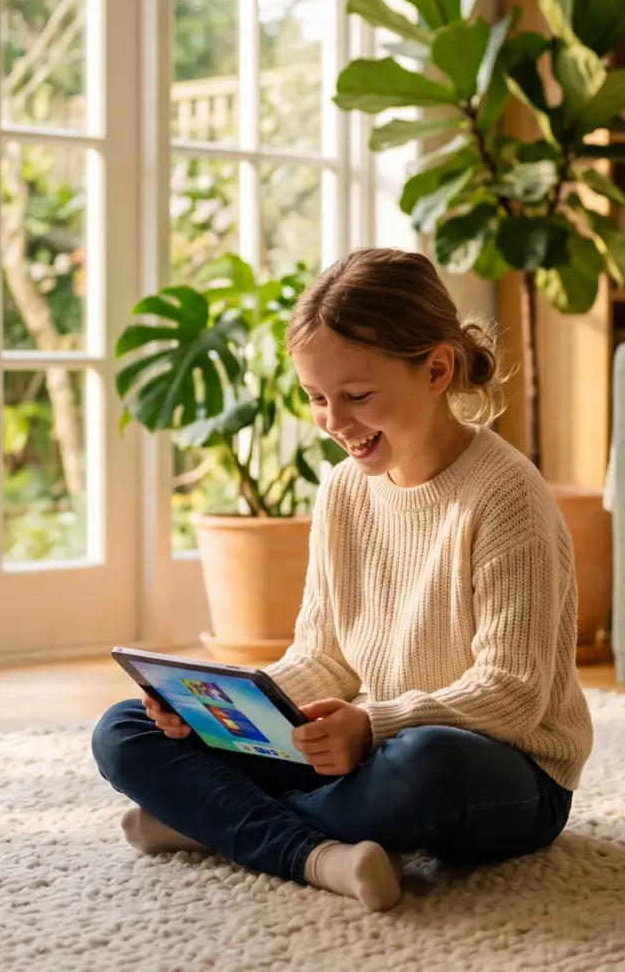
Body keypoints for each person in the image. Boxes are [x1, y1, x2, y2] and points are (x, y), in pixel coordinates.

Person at [92, 247, 593, 911]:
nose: (334, 422)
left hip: (501, 773)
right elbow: (321, 658)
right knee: (124, 731)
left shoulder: (507, 496)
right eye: (317, 398)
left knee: (425, 764)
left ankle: (213, 822)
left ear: (438, 368)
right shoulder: (342, 493)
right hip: (369, 747)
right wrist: (212, 711)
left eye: (357, 396)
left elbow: (513, 695)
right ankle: (319, 854)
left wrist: (372, 725)